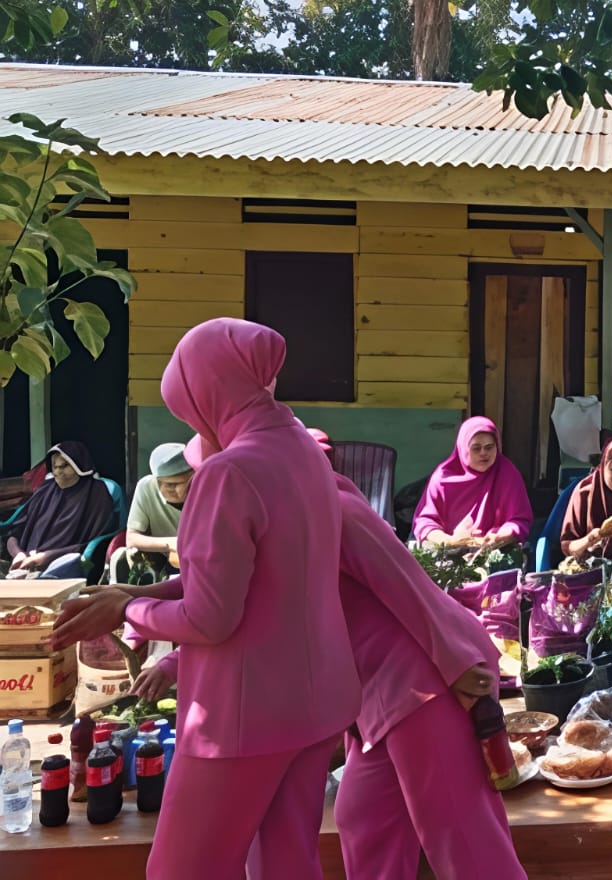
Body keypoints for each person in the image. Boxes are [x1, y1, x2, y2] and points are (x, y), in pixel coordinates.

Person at [48, 317, 362, 880]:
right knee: (287, 864)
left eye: (188, 410)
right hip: (318, 705)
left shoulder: (229, 472)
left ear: (206, 393)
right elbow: (258, 579)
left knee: (180, 870)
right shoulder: (302, 450)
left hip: (241, 719)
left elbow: (210, 618)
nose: (193, 424)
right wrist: (136, 591)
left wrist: (125, 609)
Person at [132, 431, 525, 880]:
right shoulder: (273, 524)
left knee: (465, 845)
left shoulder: (332, 510)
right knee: (361, 816)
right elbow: (229, 601)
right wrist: (133, 606)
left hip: (426, 681)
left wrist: (455, 662)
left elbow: (405, 581)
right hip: (375, 699)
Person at [413, 416, 534, 552]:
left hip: (495, 553)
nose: (484, 453)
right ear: (463, 448)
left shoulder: (507, 474)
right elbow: (424, 523)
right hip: (448, 556)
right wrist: (449, 541)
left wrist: (500, 537)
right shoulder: (443, 479)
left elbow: (520, 521)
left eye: (489, 447)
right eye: (476, 448)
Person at [5, 441, 115, 580]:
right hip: (22, 564)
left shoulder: (96, 494)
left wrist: (46, 557)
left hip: (61, 568)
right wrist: (18, 554)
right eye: (55, 467)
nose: (57, 472)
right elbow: (14, 533)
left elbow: (93, 545)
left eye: (64, 466)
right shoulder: (45, 491)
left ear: (79, 466)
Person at [111, 442, 192, 584]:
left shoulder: (206, 485)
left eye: (187, 483)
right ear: (157, 481)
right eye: (171, 485)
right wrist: (173, 543)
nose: (181, 491)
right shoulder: (146, 487)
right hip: (168, 563)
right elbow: (132, 538)